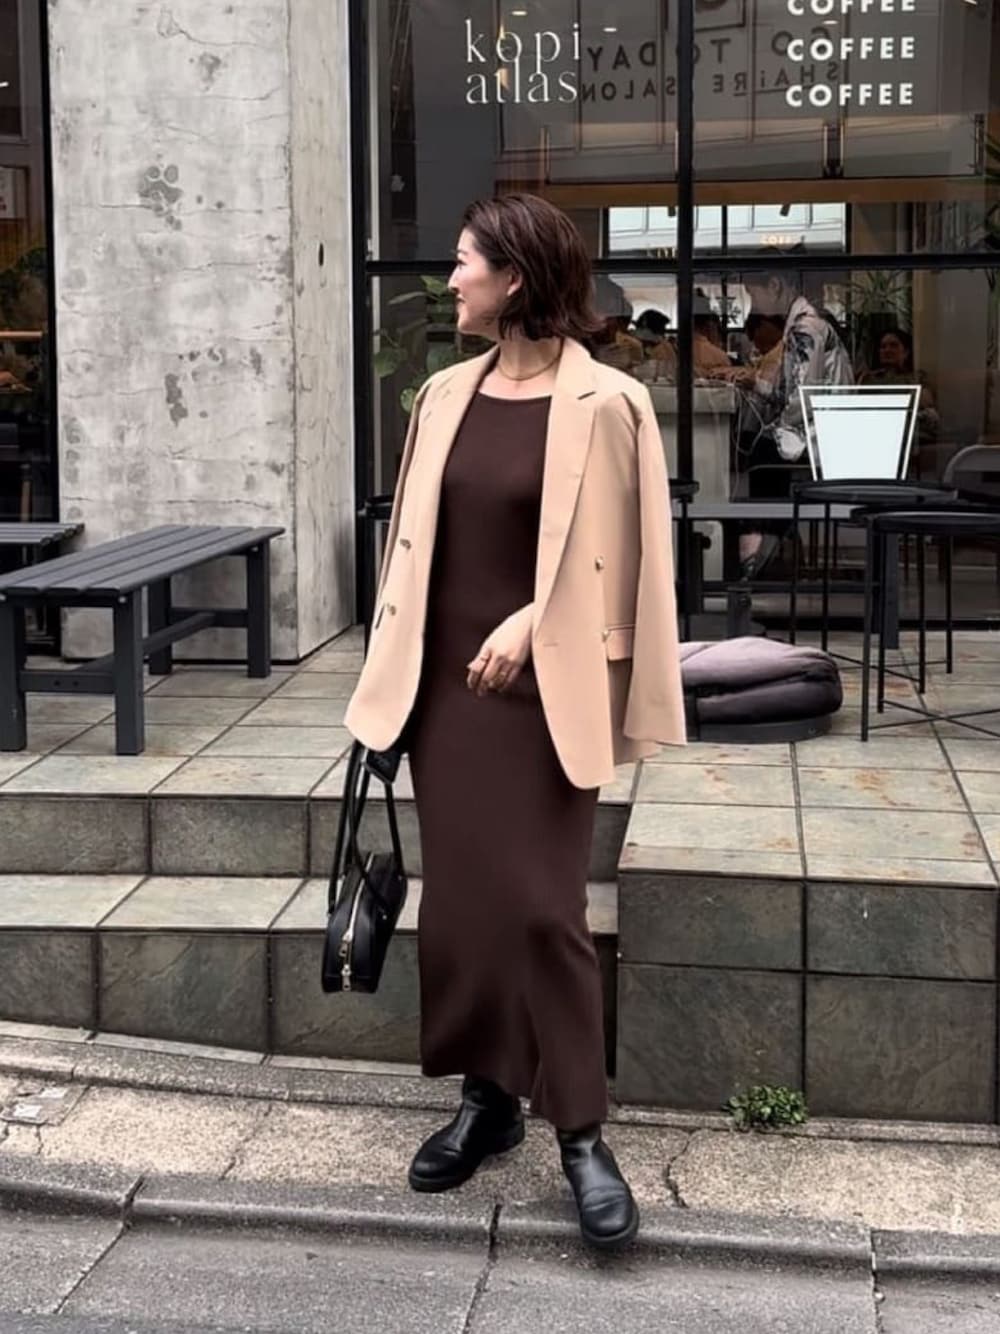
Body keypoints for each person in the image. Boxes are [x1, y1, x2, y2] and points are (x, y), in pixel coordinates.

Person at [344, 193, 686, 1251]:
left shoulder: (611, 403)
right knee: (463, 910)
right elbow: (412, 555)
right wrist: (385, 688)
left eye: (464, 263)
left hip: (547, 696)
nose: (450, 280)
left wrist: (537, 620)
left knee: (543, 910)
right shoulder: (443, 395)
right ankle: (488, 1101)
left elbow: (631, 558)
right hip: (447, 696)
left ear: (517, 279)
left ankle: (579, 1130)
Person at [708, 268, 853, 577]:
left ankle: (757, 551)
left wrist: (753, 382)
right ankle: (770, 546)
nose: (753, 304)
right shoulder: (805, 325)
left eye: (753, 293)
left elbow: (794, 395)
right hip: (828, 428)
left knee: (760, 451)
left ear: (774, 285)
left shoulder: (806, 329)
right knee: (758, 448)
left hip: (821, 434)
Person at [861, 326, 939, 457]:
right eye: (883, 347)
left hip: (909, 431)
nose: (887, 350)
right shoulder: (869, 378)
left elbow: (925, 401)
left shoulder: (917, 377)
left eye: (893, 345)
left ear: (906, 352)